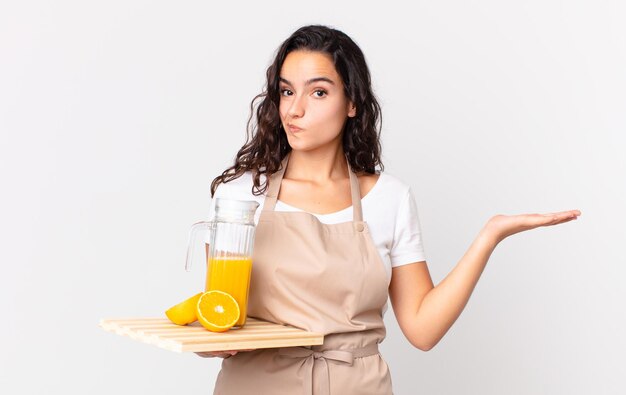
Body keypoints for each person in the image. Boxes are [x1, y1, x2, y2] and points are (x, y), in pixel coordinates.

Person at [195, 25, 580, 395]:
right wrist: (209, 339)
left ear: (352, 104)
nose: (294, 110)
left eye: (318, 93)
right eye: (286, 91)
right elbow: (219, 316)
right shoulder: (240, 195)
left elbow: (422, 329)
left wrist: (489, 236)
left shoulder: (389, 199)